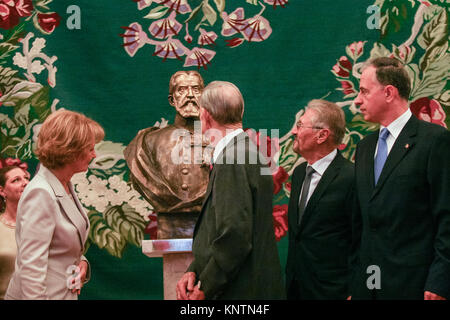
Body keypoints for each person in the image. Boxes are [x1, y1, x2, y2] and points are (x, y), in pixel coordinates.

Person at [350, 57, 450, 300]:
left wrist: (439, 282)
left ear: (389, 92)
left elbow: (446, 216)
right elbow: (360, 223)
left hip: (414, 286)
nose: (357, 100)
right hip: (368, 288)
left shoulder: (433, 141)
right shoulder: (364, 147)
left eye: (364, 91)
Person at [176, 81, 285, 300]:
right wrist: (194, 269)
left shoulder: (232, 159)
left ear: (205, 115)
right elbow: (222, 229)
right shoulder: (248, 151)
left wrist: (205, 285)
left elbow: (234, 235)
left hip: (241, 292)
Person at [5, 109, 104, 300]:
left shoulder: (63, 184)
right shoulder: (41, 192)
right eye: (90, 148)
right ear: (71, 151)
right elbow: (31, 268)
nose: (94, 155)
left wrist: (80, 261)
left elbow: (58, 244)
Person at [124, 70, 211, 239]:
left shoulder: (219, 140)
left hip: (210, 227)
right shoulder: (147, 142)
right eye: (182, 90)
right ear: (172, 100)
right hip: (169, 226)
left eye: (196, 89)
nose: (190, 95)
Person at [285, 99, 354, 300]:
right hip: (296, 289)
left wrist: (355, 289)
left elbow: (363, 238)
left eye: (300, 126)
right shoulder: (298, 173)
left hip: (334, 292)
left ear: (322, 135)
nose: (294, 132)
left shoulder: (351, 177)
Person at [0, 165, 30, 299]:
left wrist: (82, 261)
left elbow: (66, 252)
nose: (25, 182)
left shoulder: (44, 223)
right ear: (2, 191)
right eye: (16, 180)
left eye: (26, 178)